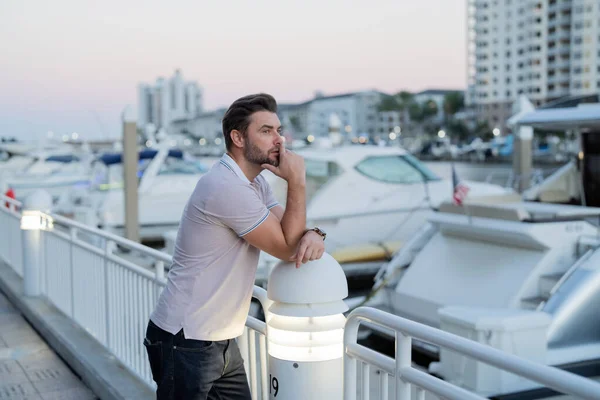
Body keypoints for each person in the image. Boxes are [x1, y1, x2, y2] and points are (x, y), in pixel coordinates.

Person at [144, 93, 326, 399]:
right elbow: (284, 248)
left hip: (221, 338)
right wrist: (297, 182)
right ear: (238, 137)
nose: (279, 140)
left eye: (278, 130)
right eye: (266, 131)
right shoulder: (224, 186)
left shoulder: (255, 183)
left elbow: (290, 234)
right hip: (186, 338)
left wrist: (315, 232)